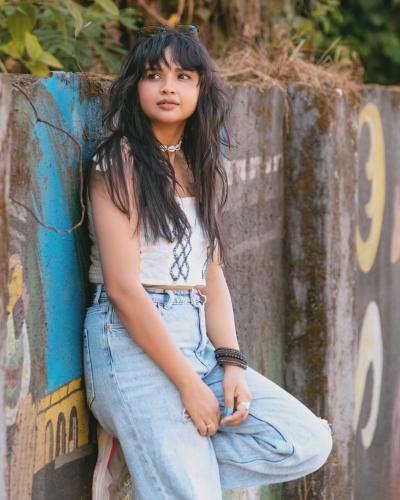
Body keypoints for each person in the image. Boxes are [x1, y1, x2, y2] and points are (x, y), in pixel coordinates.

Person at [82, 24, 333, 500]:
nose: (168, 87)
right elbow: (123, 289)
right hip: (131, 345)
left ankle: (146, 457)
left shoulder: (201, 165)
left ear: (201, 89)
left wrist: (231, 363)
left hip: (197, 339)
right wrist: (188, 385)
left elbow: (211, 274)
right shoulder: (119, 162)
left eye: (183, 77)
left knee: (305, 442)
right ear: (135, 86)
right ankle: (155, 453)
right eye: (154, 75)